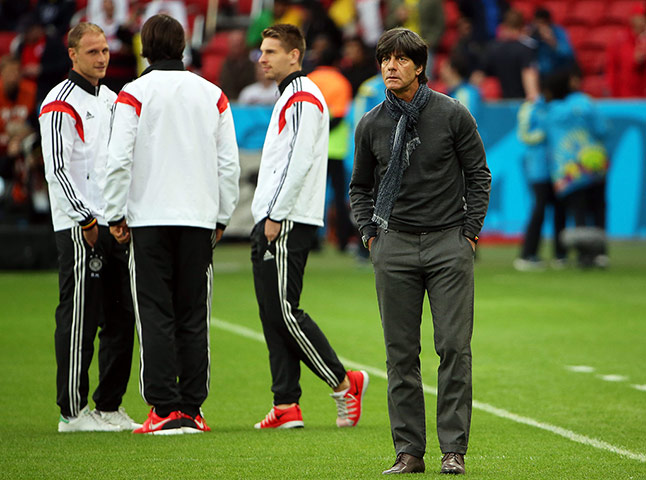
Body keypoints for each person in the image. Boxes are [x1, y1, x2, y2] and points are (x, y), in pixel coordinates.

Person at [350, 28, 491, 474]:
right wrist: (371, 235)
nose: (390, 67)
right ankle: (409, 452)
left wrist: (468, 234)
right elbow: (359, 188)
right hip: (394, 246)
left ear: (419, 66)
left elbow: (479, 175)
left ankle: (454, 451)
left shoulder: (453, 115)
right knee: (400, 354)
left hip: (449, 244)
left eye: (400, 59)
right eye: (384, 59)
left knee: (453, 347)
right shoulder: (370, 123)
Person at [103, 14, 240, 434]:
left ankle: (163, 410)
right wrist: (222, 216)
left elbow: (119, 158)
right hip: (198, 217)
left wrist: (114, 213)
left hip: (149, 218)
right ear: (183, 46)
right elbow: (228, 164)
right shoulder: (211, 93)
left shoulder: (133, 93)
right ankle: (192, 410)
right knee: (194, 313)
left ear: (144, 47)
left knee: (155, 312)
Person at [250, 24, 368, 430]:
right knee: (271, 312)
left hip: (286, 217)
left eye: (270, 51)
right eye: (262, 51)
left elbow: (298, 162)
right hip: (276, 214)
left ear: (294, 55)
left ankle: (343, 382)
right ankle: (286, 403)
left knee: (283, 309)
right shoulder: (291, 96)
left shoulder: (301, 97)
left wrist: (276, 213)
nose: (262, 58)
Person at [38, 22, 139, 433]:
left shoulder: (114, 100)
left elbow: (119, 165)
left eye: (105, 51)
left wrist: (120, 215)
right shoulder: (58, 102)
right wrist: (87, 219)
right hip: (81, 227)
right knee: (80, 315)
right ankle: (72, 412)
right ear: (73, 54)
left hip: (112, 224)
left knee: (121, 317)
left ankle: (109, 406)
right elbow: (57, 170)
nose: (101, 58)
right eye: (93, 52)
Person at [543, 68, 609, 268]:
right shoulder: (585, 102)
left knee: (576, 212)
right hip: (593, 162)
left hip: (567, 169)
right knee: (598, 208)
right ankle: (600, 254)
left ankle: (579, 255)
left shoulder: (550, 110)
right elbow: (601, 130)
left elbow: (541, 134)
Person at [513, 88, 566, 271]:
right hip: (538, 168)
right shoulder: (531, 107)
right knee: (540, 208)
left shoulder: (557, 107)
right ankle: (527, 255)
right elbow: (525, 134)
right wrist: (547, 131)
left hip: (558, 168)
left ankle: (561, 254)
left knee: (560, 208)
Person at [478, 9, 539, 100]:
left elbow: (478, 77)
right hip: (519, 105)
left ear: (504, 26)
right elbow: (531, 90)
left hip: (498, 106)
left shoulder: (492, 48)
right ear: (522, 27)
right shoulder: (525, 50)